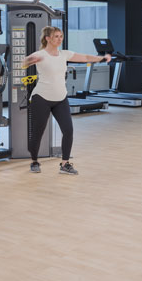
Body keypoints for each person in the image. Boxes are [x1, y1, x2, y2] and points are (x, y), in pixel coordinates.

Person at [22, 26, 111, 175]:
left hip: (60, 98)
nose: (59, 39)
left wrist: (101, 58)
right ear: (47, 38)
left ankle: (65, 164)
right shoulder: (40, 54)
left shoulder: (64, 54)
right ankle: (34, 161)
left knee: (68, 130)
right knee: (38, 132)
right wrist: (29, 60)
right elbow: (24, 62)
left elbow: (85, 58)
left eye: (61, 36)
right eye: (56, 36)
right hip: (41, 98)